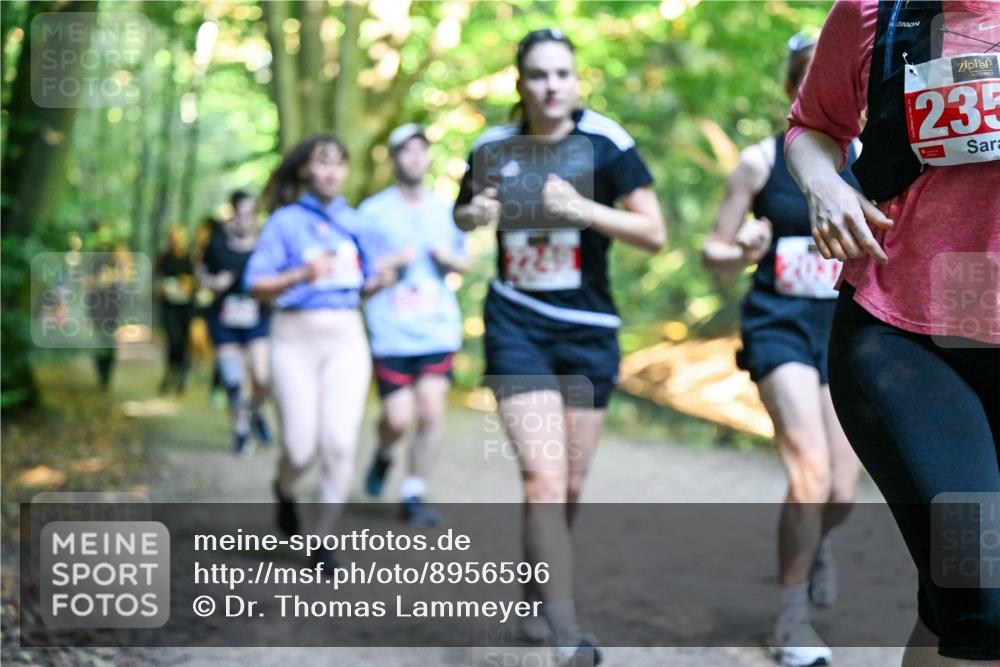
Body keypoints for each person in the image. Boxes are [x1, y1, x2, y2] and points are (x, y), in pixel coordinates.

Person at [785, 1, 999, 665]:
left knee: (948, 610)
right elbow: (812, 127)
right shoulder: (878, 9)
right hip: (905, 337)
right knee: (981, 596)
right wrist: (825, 186)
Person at [454, 28, 666, 666]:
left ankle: (536, 585)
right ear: (519, 81)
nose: (551, 86)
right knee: (543, 479)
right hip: (517, 324)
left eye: (562, 75)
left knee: (569, 484)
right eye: (538, 75)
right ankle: (566, 628)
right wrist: (474, 215)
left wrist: (583, 209)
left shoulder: (607, 142)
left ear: (577, 81)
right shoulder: (493, 146)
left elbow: (654, 233)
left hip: (589, 332)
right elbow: (462, 213)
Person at [702, 33, 860, 667]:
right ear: (792, 87)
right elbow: (711, 249)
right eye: (805, 78)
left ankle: (814, 544)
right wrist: (741, 248)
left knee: (842, 491)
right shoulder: (759, 162)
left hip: (846, 330)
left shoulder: (869, 157)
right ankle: (790, 620)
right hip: (778, 325)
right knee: (811, 473)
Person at [245, 135, 396, 573]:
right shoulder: (285, 223)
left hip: (347, 338)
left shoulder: (358, 222)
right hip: (294, 338)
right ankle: (285, 487)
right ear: (306, 170)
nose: (331, 170)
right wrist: (301, 273)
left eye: (339, 162)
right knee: (299, 448)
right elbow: (256, 284)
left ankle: (323, 542)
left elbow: (364, 280)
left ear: (347, 171)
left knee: (339, 442)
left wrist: (380, 280)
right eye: (321, 162)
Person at [359, 123, 469, 526]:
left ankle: (413, 492)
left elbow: (465, 260)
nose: (415, 158)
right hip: (391, 333)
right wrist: (386, 267)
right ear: (393, 159)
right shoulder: (371, 213)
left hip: (437, 329)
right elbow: (358, 274)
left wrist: (448, 260)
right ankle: (385, 453)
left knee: (430, 412)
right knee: (397, 419)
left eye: (421, 151)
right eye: (406, 151)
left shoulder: (446, 209)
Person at [197, 191, 271, 454]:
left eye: (251, 214)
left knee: (262, 376)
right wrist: (213, 283)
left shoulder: (266, 243)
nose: (246, 221)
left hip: (257, 318)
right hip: (225, 319)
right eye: (241, 214)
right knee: (233, 380)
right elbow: (201, 270)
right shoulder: (217, 242)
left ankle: (256, 411)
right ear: (233, 214)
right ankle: (240, 430)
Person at [155, 225, 196, 395]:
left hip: (185, 307)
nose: (176, 241)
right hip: (169, 306)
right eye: (173, 238)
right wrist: (162, 289)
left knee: (184, 342)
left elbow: (197, 281)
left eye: (179, 238)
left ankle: (181, 377)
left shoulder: (190, 259)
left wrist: (188, 284)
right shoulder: (163, 258)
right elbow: (156, 280)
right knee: (173, 339)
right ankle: (170, 373)